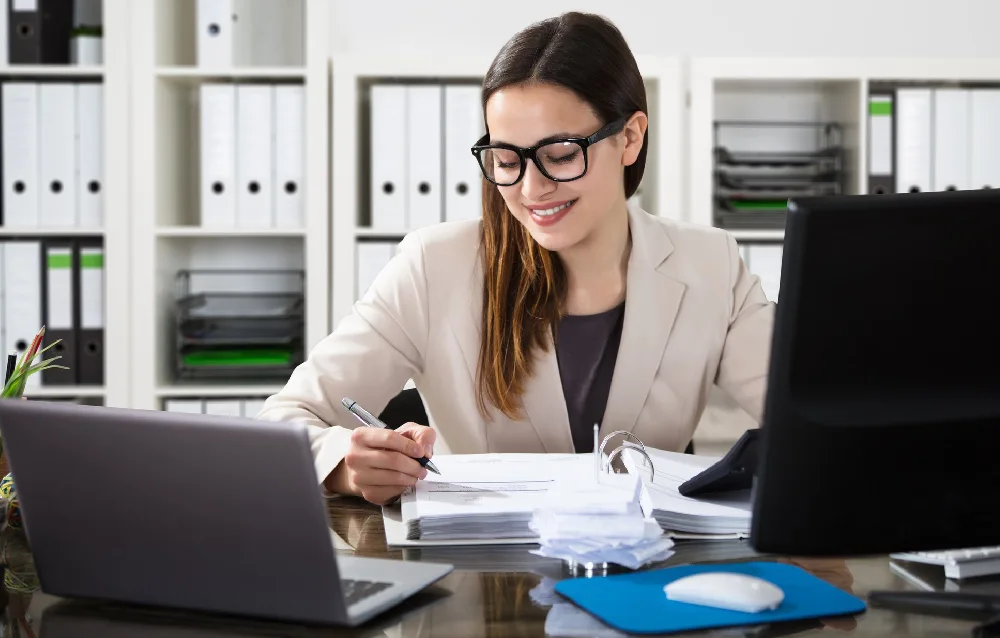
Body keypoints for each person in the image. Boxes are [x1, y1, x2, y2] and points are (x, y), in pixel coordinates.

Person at [257, 12, 774, 506]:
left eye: (561, 154)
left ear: (630, 138)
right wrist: (344, 465)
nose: (531, 188)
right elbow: (285, 417)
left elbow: (812, 420)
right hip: (485, 582)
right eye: (506, 160)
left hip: (642, 577)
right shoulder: (433, 267)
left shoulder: (711, 264)